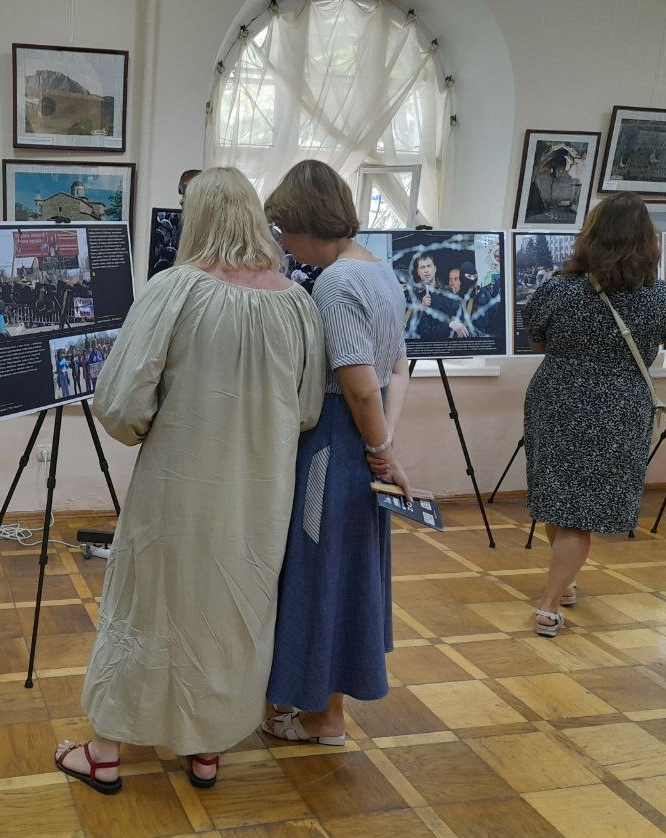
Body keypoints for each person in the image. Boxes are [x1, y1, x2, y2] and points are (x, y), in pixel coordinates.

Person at [56, 167, 324, 794]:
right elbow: (307, 407)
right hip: (260, 494)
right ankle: (204, 749)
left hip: (177, 487)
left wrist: (160, 423)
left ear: (196, 218)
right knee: (232, 612)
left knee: (148, 606)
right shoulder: (296, 303)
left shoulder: (175, 290)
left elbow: (121, 403)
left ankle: (105, 751)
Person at [261, 158, 413, 748]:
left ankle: (324, 717)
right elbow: (398, 369)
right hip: (363, 439)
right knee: (351, 572)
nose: (285, 245)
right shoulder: (381, 272)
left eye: (285, 231)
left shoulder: (334, 284)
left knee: (320, 571)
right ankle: (325, 709)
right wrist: (386, 446)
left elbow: (356, 383)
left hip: (333, 441)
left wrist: (377, 447)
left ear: (303, 224)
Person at [522, 192, 666, 637]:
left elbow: (537, 339)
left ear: (591, 236)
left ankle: (556, 592)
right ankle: (553, 598)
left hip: (558, 397)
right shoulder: (663, 298)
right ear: (647, 242)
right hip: (620, 404)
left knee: (560, 500)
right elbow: (664, 338)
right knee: (582, 509)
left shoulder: (559, 289)